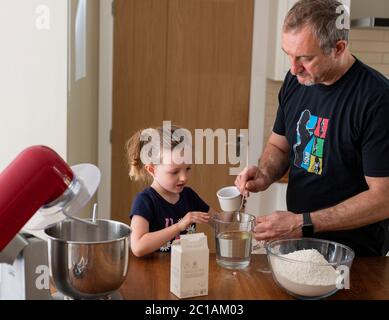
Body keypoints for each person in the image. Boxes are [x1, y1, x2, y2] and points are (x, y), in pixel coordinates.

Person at [235, 0, 389, 256]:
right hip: (297, 245)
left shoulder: (377, 100)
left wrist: (302, 222)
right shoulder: (296, 81)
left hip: (355, 256)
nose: (294, 69)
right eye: (289, 55)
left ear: (338, 48)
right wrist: (264, 173)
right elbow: (279, 145)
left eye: (305, 58)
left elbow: (384, 198)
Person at [127, 125, 217, 257]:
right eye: (174, 172)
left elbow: (220, 223)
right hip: (153, 274)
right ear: (152, 170)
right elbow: (138, 247)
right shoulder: (145, 201)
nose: (184, 177)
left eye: (187, 169)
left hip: (184, 271)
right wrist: (179, 226)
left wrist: (236, 201)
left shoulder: (189, 196)